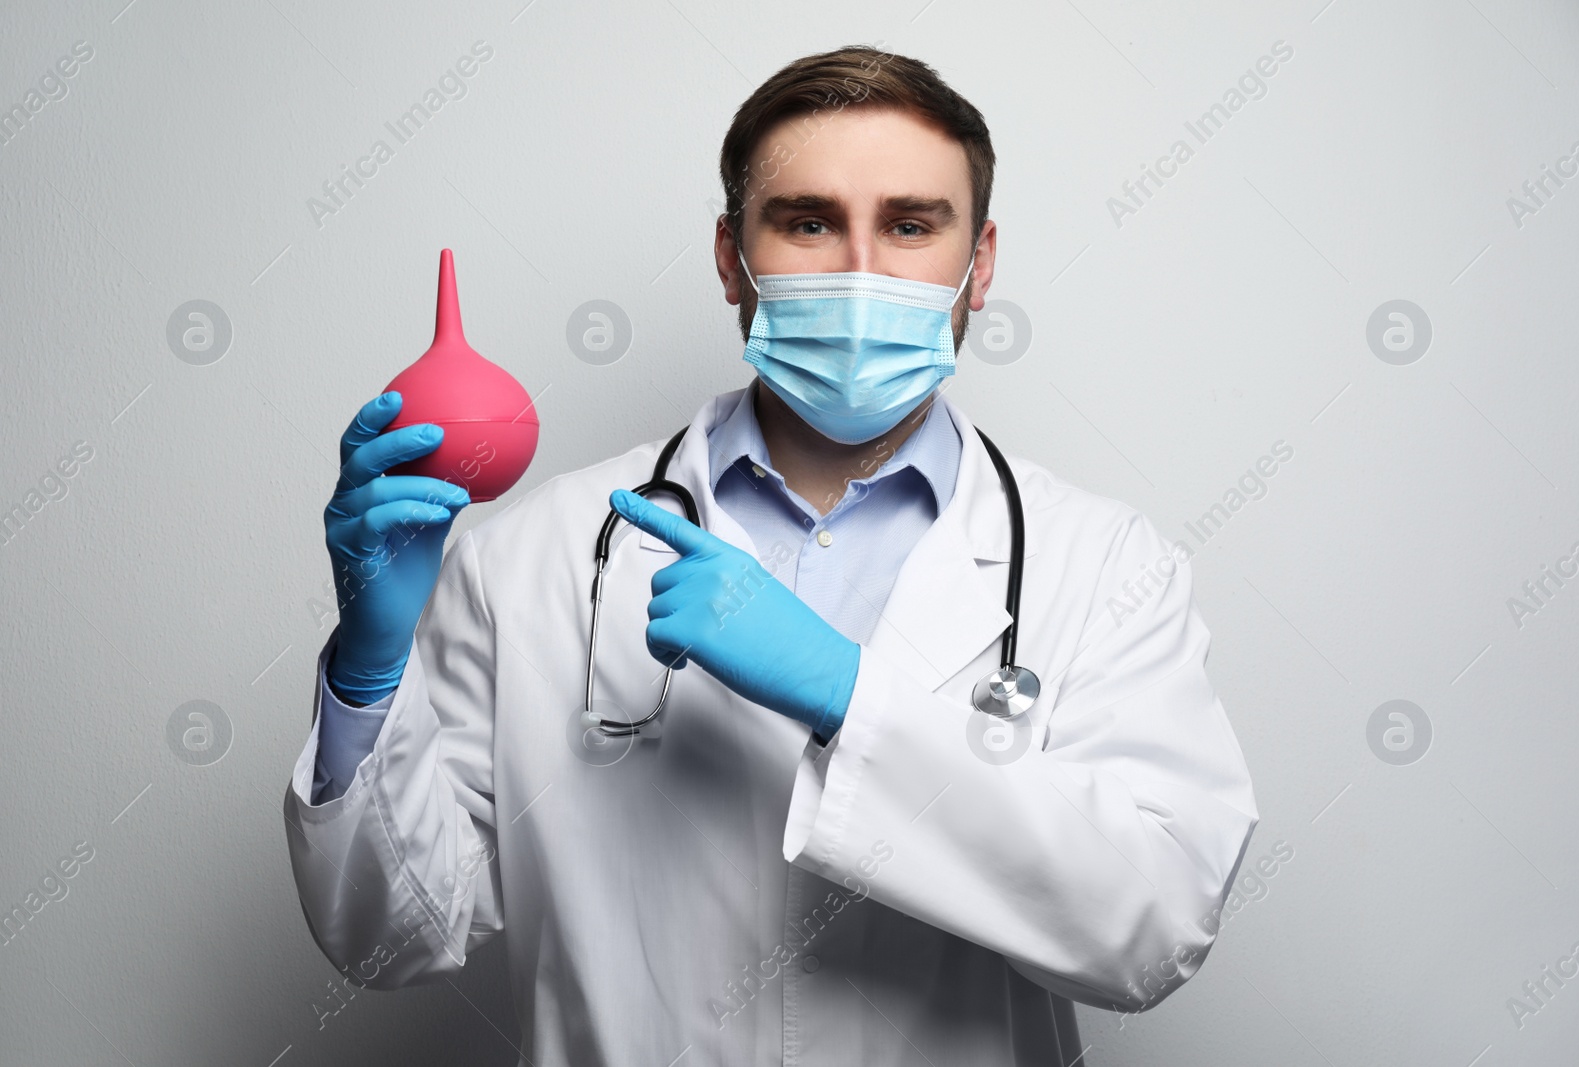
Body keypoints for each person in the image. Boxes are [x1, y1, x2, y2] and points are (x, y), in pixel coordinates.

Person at [285, 44, 1258, 1065]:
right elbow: (392, 936)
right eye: (807, 222)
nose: (859, 270)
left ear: (979, 263)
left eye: (910, 225)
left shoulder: (1101, 566)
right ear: (728, 256)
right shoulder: (536, 558)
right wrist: (368, 669)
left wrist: (848, 694)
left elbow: (1153, 926)